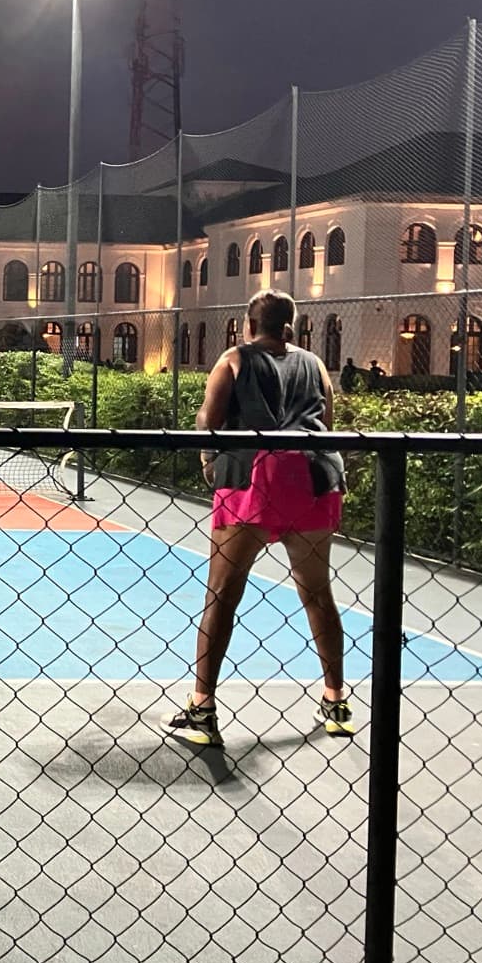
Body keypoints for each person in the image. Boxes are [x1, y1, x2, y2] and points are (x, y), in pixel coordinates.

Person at [163, 289, 353, 748]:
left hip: (254, 478)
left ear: (248, 326)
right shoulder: (315, 365)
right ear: (290, 326)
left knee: (222, 595)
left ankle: (203, 709)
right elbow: (326, 420)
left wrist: (209, 460)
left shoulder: (234, 359)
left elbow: (207, 420)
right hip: (314, 477)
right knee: (318, 594)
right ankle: (335, 703)